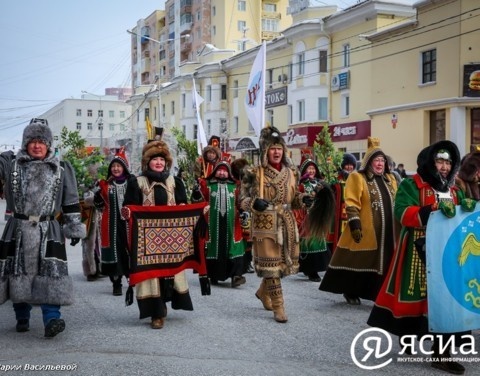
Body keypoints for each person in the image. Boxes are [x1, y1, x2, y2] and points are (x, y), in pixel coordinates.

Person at [367, 140, 468, 375]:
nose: (444, 166)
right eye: (439, 161)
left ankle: (441, 353)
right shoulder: (412, 185)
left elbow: (462, 216)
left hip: (446, 253)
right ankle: (409, 336)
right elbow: (402, 212)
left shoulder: (455, 190)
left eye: (448, 162)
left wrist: (467, 207)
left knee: (445, 299)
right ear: (430, 162)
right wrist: (430, 210)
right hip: (417, 249)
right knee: (417, 298)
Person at [0, 118, 86, 338]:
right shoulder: (12, 166)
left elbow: (71, 200)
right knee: (18, 274)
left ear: (49, 145)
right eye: (32, 141)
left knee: (51, 275)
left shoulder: (60, 169)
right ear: (25, 144)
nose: (37, 145)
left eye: (41, 141)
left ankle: (52, 319)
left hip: (48, 230)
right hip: (17, 228)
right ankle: (22, 316)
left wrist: (74, 226)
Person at [240, 126, 315, 323]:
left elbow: (293, 197)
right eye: (272, 148)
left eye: (279, 148)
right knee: (272, 265)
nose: (276, 152)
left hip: (286, 222)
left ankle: (264, 293)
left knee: (281, 266)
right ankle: (279, 306)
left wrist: (304, 199)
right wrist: (253, 203)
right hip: (265, 224)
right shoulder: (254, 173)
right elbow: (242, 200)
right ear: (265, 151)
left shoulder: (292, 172)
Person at [123, 139, 193, 329]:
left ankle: (164, 304)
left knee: (168, 275)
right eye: (155, 159)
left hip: (171, 238)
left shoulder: (175, 182)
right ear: (148, 162)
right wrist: (128, 212)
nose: (159, 163)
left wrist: (188, 209)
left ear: (167, 162)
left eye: (162, 159)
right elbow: (129, 207)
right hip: (147, 240)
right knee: (151, 276)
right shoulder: (137, 182)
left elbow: (182, 204)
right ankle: (157, 313)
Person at [319, 137, 398, 305]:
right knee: (359, 261)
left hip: (388, 231)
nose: (380, 163)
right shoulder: (357, 177)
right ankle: (350, 290)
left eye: (382, 160)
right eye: (376, 160)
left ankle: (380, 294)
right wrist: (355, 224)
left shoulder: (390, 179)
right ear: (369, 162)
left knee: (385, 262)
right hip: (365, 230)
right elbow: (352, 202)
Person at [192, 160, 246, 287]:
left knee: (234, 247)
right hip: (212, 224)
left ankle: (236, 275)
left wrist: (244, 210)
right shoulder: (207, 185)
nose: (222, 173)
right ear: (215, 171)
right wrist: (196, 192)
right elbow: (198, 201)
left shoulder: (236, 186)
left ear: (229, 173)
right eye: (219, 170)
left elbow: (241, 202)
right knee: (213, 248)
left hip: (232, 224)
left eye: (225, 171)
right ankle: (212, 274)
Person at [94, 148, 133, 296]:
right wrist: (97, 197)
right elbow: (99, 206)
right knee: (114, 252)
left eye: (119, 166)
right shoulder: (106, 185)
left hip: (128, 224)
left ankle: (132, 277)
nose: (116, 168)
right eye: (113, 166)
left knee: (129, 250)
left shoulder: (132, 182)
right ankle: (116, 283)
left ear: (124, 167)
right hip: (111, 224)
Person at [295, 150, 331, 282]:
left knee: (319, 241)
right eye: (309, 168)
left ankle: (317, 266)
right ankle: (311, 270)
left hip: (318, 217)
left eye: (313, 168)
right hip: (307, 217)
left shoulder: (319, 182)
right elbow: (298, 201)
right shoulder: (301, 185)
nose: (311, 171)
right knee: (309, 243)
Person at [327, 153, 357, 253]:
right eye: (347, 164)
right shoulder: (336, 178)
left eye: (351, 165)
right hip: (337, 215)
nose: (349, 167)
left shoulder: (357, 178)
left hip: (351, 214)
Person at [231, 158, 254, 274]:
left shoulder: (249, 180)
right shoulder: (232, 181)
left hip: (247, 212)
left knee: (249, 239)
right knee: (239, 239)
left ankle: (248, 262)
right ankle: (240, 262)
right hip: (235, 212)